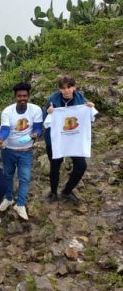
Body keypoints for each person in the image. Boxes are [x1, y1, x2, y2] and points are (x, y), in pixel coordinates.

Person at [43, 75, 94, 204]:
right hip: (56, 141)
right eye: (63, 88)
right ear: (59, 89)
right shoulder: (52, 100)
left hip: (74, 140)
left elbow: (90, 117)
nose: (66, 90)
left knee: (81, 166)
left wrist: (90, 108)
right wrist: (48, 113)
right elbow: (44, 121)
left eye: (69, 87)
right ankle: (53, 192)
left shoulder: (80, 98)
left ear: (74, 87)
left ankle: (67, 191)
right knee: (54, 167)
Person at [0, 82, 43, 220]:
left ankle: (21, 204)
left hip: (26, 150)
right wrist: (1, 139)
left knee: (25, 178)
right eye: (19, 96)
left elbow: (38, 128)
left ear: (28, 96)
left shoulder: (35, 110)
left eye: (24, 96)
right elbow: (5, 129)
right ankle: (9, 198)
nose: (22, 98)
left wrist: (35, 134)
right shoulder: (7, 111)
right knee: (7, 176)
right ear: (15, 97)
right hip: (8, 150)